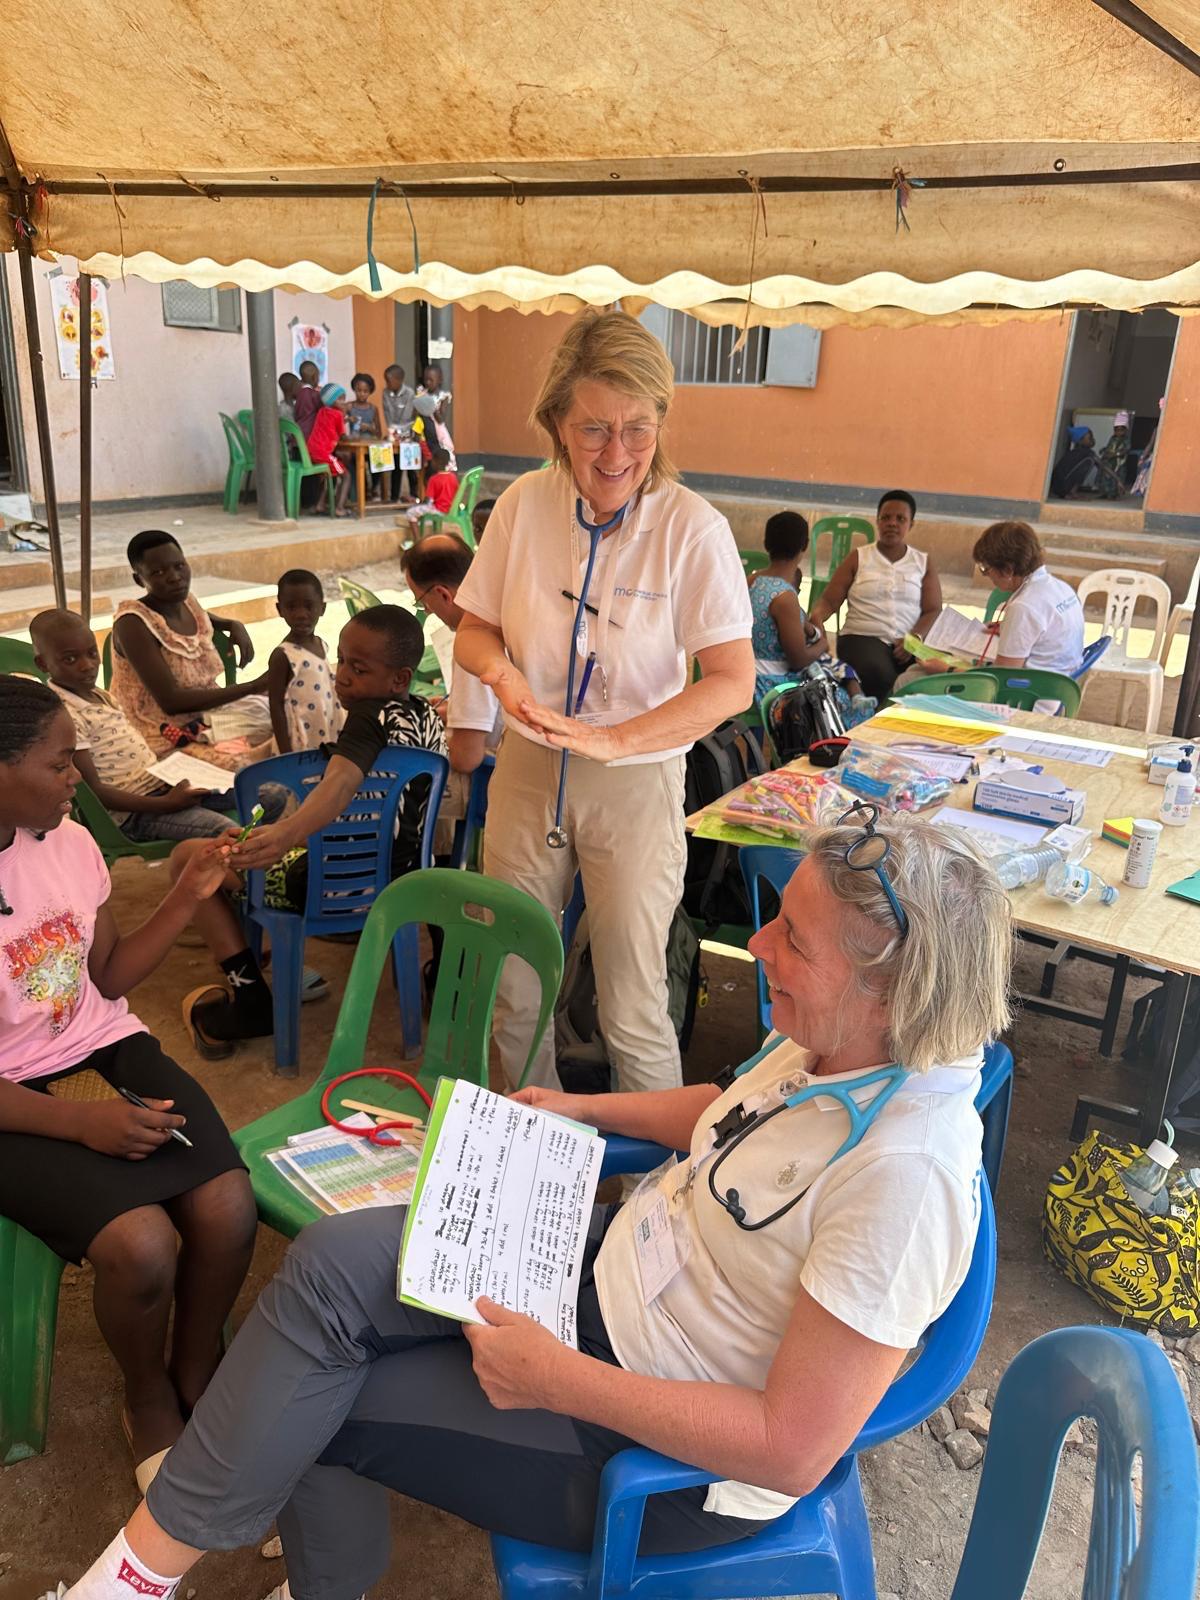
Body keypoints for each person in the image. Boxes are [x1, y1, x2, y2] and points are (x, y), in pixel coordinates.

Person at [43, 812, 1013, 1600]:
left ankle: (210, 1582)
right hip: (602, 1277)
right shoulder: (840, 1043)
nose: (755, 944)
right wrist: (584, 1107)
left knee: (311, 1400)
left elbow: (791, 1448)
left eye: (792, 938)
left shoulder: (907, 1178)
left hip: (650, 1439)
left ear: (891, 989)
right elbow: (728, 1112)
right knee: (332, 1264)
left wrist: (560, 1380)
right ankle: (152, 1573)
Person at [453, 309, 753, 1096]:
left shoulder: (692, 528)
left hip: (637, 779)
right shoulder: (523, 504)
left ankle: (651, 1170)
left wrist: (617, 741)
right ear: (556, 422)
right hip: (529, 766)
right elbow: (474, 631)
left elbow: (733, 678)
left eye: (637, 429)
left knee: (632, 999)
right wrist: (506, 681)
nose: (616, 454)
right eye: (592, 429)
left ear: (661, 422)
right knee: (514, 985)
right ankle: (533, 1140)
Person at [0, 676, 256, 1496]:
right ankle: (146, 1396)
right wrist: (84, 1125)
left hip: (100, 1045)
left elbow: (106, 978)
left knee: (227, 1204)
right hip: (11, 1093)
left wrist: (185, 895)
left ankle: (195, 1362)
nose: (76, 778)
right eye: (57, 764)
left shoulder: (69, 841)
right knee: (140, 1244)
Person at [178, 606, 446, 1056]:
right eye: (341, 660)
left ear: (399, 678)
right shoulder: (427, 716)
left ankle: (249, 992)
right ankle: (269, 954)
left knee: (189, 857)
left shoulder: (368, 718)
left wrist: (284, 835)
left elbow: (339, 784)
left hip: (334, 888)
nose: (343, 676)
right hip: (405, 884)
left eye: (359, 669)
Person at [32, 609, 251, 845]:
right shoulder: (65, 715)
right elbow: (95, 792)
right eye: (70, 659)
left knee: (261, 791)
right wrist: (165, 804)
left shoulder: (97, 695)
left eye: (92, 653)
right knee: (226, 831)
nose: (87, 665)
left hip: (160, 784)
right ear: (43, 664)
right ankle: (246, 866)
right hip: (135, 814)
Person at [110, 531, 272, 772]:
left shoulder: (185, 602)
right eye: (158, 572)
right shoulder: (132, 624)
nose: (175, 577)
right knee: (249, 766)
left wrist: (231, 624)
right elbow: (171, 702)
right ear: (139, 579)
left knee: (289, 721)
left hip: (205, 719)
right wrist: (253, 687)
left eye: (179, 566)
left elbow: (203, 617)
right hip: (158, 735)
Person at [807, 490, 942, 702]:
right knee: (880, 675)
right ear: (877, 521)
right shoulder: (858, 557)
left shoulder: (922, 562)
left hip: (908, 643)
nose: (892, 523)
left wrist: (914, 639)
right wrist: (817, 616)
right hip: (862, 639)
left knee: (932, 677)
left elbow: (932, 609)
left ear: (911, 524)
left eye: (900, 519)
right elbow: (829, 601)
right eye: (886, 518)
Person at [747, 511, 876, 724]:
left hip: (748, 676)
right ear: (805, 546)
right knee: (848, 705)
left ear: (766, 544)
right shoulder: (784, 597)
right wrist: (822, 644)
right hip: (770, 685)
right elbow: (798, 660)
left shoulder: (752, 580)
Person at [265, 571, 342, 754]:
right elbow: (275, 706)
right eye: (291, 607)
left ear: (322, 608)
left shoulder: (321, 645)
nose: (301, 614)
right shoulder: (284, 655)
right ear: (280, 610)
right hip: (300, 739)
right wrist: (285, 752)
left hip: (326, 726)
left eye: (309, 606)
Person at [305, 384, 353, 517]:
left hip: (312, 451)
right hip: (323, 453)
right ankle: (340, 508)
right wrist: (344, 414)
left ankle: (320, 505)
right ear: (331, 401)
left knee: (329, 475)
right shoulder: (338, 414)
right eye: (340, 399)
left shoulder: (321, 411)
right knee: (347, 476)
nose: (343, 402)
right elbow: (343, 436)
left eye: (344, 399)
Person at [381, 363, 416, 504]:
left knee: (410, 466)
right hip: (394, 434)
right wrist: (392, 431)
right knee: (395, 465)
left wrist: (398, 432)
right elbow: (387, 415)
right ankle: (394, 497)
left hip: (408, 435)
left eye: (389, 381)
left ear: (399, 380)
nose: (387, 384)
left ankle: (414, 495)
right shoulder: (385, 393)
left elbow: (407, 417)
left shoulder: (410, 393)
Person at [414, 363, 456, 470]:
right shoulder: (422, 394)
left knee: (439, 461)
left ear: (440, 380)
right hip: (424, 433)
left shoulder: (443, 397)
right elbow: (416, 413)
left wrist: (431, 407)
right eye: (426, 380)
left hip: (437, 434)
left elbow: (441, 419)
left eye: (431, 380)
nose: (428, 383)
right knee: (425, 462)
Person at [1049, 425, 1095, 499]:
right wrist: (1116, 479)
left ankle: (1068, 492)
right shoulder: (1085, 452)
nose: (1092, 440)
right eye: (1090, 438)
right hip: (1061, 487)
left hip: (1056, 487)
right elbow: (1102, 465)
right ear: (1080, 441)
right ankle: (1071, 492)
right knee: (1090, 461)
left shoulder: (1076, 452)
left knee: (1090, 460)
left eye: (1092, 438)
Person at [1097, 412, 1131, 499]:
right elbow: (1109, 446)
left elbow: (1126, 450)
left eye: (1121, 430)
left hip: (1118, 463)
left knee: (1115, 478)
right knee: (1105, 477)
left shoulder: (1126, 440)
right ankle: (1104, 492)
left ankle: (1113, 494)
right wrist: (1104, 450)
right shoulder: (1113, 438)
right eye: (1116, 430)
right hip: (1108, 461)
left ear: (1125, 430)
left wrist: (1116, 454)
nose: (1118, 432)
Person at [346, 373, 382, 439]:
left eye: (365, 391)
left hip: (369, 443)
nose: (362, 394)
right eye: (359, 390)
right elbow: (336, 423)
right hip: (353, 443)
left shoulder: (373, 408)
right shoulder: (349, 406)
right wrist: (348, 419)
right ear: (354, 389)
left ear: (370, 391)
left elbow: (379, 434)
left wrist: (369, 428)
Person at [293, 360, 322, 439]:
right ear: (315, 377)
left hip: (297, 433)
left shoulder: (297, 393)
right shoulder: (314, 394)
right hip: (309, 435)